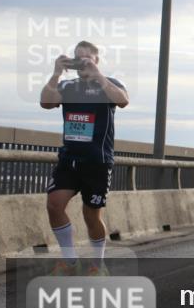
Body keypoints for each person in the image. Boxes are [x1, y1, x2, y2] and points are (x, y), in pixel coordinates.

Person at [40, 41, 129, 276]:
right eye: (77, 58)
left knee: (91, 215)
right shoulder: (68, 85)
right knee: (54, 204)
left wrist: (98, 75)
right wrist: (56, 72)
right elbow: (46, 103)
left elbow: (122, 100)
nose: (82, 63)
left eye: (86, 58)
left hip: (97, 161)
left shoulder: (109, 84)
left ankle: (98, 265)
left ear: (96, 60)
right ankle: (70, 262)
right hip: (70, 158)